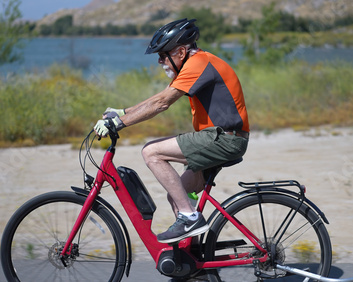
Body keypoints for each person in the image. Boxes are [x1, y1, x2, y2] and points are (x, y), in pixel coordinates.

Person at [94, 18, 250, 244]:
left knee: (151, 152)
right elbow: (159, 97)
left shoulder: (199, 64)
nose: (160, 61)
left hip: (224, 139)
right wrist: (122, 112)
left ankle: (189, 217)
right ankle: (193, 265)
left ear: (181, 51)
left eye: (163, 54)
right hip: (220, 138)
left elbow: (161, 104)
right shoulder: (196, 64)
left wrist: (117, 124)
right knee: (177, 196)